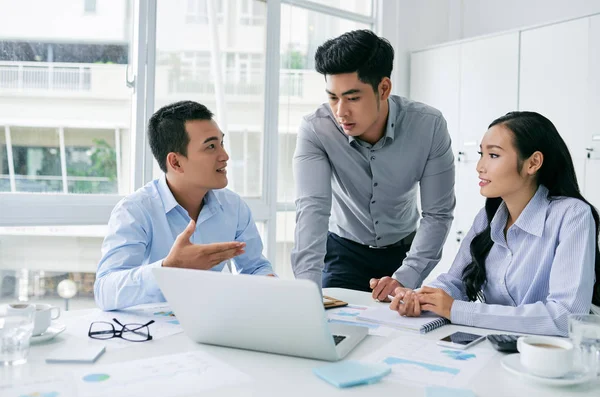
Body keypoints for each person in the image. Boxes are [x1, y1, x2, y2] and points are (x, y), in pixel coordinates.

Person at [390, 111, 600, 336]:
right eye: (482, 153)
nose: (480, 166)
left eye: (493, 155)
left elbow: (564, 316)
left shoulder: (573, 215)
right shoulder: (487, 217)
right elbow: (454, 282)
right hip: (495, 346)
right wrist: (421, 298)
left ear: (533, 163)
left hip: (550, 356)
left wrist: (459, 310)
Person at [291, 29, 455, 298]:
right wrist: (306, 289)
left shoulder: (429, 126)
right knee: (331, 329)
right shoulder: (316, 129)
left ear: (384, 88)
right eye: (333, 97)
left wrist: (407, 275)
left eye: (353, 98)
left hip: (405, 254)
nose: (340, 112)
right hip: (344, 251)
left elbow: (438, 213)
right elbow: (312, 209)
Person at [94, 101, 275, 311]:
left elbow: (255, 267)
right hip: (154, 333)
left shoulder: (233, 206)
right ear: (176, 162)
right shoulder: (135, 211)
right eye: (210, 146)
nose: (225, 156)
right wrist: (169, 268)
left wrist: (269, 285)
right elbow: (105, 291)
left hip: (218, 323)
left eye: (221, 143)